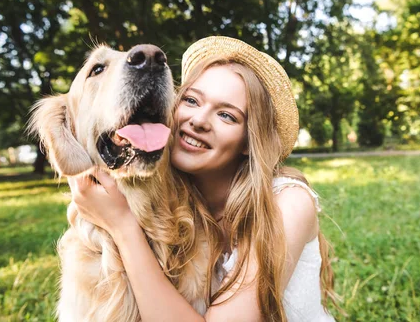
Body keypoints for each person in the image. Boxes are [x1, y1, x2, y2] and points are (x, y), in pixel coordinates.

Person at [69, 36, 338, 321]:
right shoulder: (176, 208)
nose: (198, 121)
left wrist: (122, 226)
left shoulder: (289, 203)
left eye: (226, 115)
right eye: (191, 100)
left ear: (249, 141)